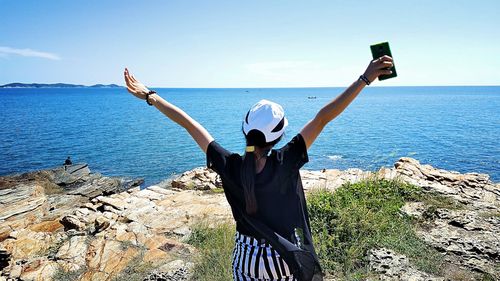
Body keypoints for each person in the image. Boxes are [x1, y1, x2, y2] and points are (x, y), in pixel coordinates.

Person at [123, 55, 393, 281]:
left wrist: (150, 96)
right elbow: (323, 118)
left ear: (245, 129)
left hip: (246, 260)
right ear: (279, 135)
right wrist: (365, 79)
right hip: (284, 259)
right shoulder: (287, 160)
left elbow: (189, 124)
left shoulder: (229, 164)